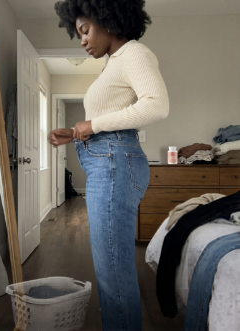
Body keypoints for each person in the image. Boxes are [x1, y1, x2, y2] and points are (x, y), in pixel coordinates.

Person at [49, 1, 169, 330]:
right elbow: (108, 117)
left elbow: (157, 105)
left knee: (113, 271)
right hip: (110, 161)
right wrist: (76, 132)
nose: (83, 40)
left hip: (115, 162)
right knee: (110, 269)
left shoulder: (134, 53)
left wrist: (94, 125)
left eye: (85, 30)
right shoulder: (115, 62)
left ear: (107, 19)